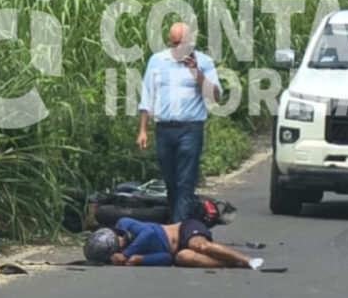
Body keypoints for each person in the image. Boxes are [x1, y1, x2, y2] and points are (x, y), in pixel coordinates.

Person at [137, 22, 222, 222]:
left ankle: (179, 227)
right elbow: (147, 96)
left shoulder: (204, 62)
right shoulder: (157, 61)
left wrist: (196, 73)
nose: (177, 48)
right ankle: (179, 222)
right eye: (174, 43)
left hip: (190, 128)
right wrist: (142, 130)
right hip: (164, 128)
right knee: (171, 181)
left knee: (186, 180)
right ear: (169, 41)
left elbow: (215, 96)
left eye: (181, 44)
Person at [84, 217, 263, 269]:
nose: (122, 242)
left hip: (184, 229)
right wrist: (141, 260)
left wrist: (127, 253)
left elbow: (147, 232)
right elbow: (166, 258)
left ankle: (248, 260)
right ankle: (229, 262)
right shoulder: (133, 255)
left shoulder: (125, 224)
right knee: (184, 257)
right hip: (177, 250)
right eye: (119, 245)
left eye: (119, 238)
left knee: (201, 246)